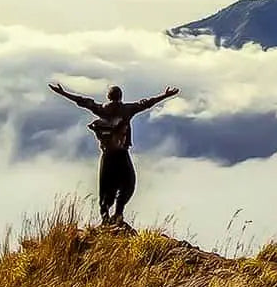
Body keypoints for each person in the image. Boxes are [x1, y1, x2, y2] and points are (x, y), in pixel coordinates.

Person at [48, 81, 179, 224]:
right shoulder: (127, 110)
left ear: (108, 96)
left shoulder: (101, 109)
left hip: (107, 155)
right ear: (120, 97)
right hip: (121, 154)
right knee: (128, 184)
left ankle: (105, 217)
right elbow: (146, 103)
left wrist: (63, 92)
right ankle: (118, 213)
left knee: (105, 188)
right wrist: (165, 95)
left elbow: (82, 101)